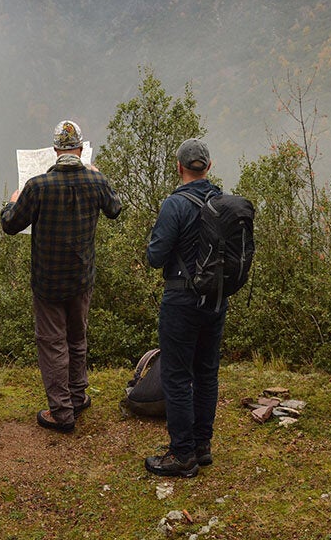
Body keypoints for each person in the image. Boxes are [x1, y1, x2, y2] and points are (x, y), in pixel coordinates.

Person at [0, 119, 122, 433]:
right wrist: (99, 175)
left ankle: (61, 412)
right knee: (77, 337)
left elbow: (11, 225)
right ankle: (78, 397)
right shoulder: (94, 182)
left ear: (55, 151)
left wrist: (11, 202)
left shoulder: (37, 186)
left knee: (52, 342)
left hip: (48, 280)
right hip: (82, 277)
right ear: (81, 149)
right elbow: (115, 208)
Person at [144, 138, 225, 477]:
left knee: (178, 377)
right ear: (208, 166)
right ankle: (202, 446)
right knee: (206, 372)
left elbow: (155, 257)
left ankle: (182, 455)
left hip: (180, 299)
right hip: (216, 298)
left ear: (179, 168)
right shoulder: (223, 201)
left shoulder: (174, 206)